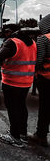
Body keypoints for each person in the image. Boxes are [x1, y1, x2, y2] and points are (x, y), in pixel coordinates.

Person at [0, 29, 37, 148]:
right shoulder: (32, 43)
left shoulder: (12, 42)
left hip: (12, 81)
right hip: (26, 81)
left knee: (12, 108)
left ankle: (14, 136)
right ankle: (22, 133)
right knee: (21, 106)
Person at [29, 14, 50, 147]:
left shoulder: (44, 39)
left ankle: (41, 135)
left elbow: (38, 60)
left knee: (45, 108)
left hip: (47, 79)